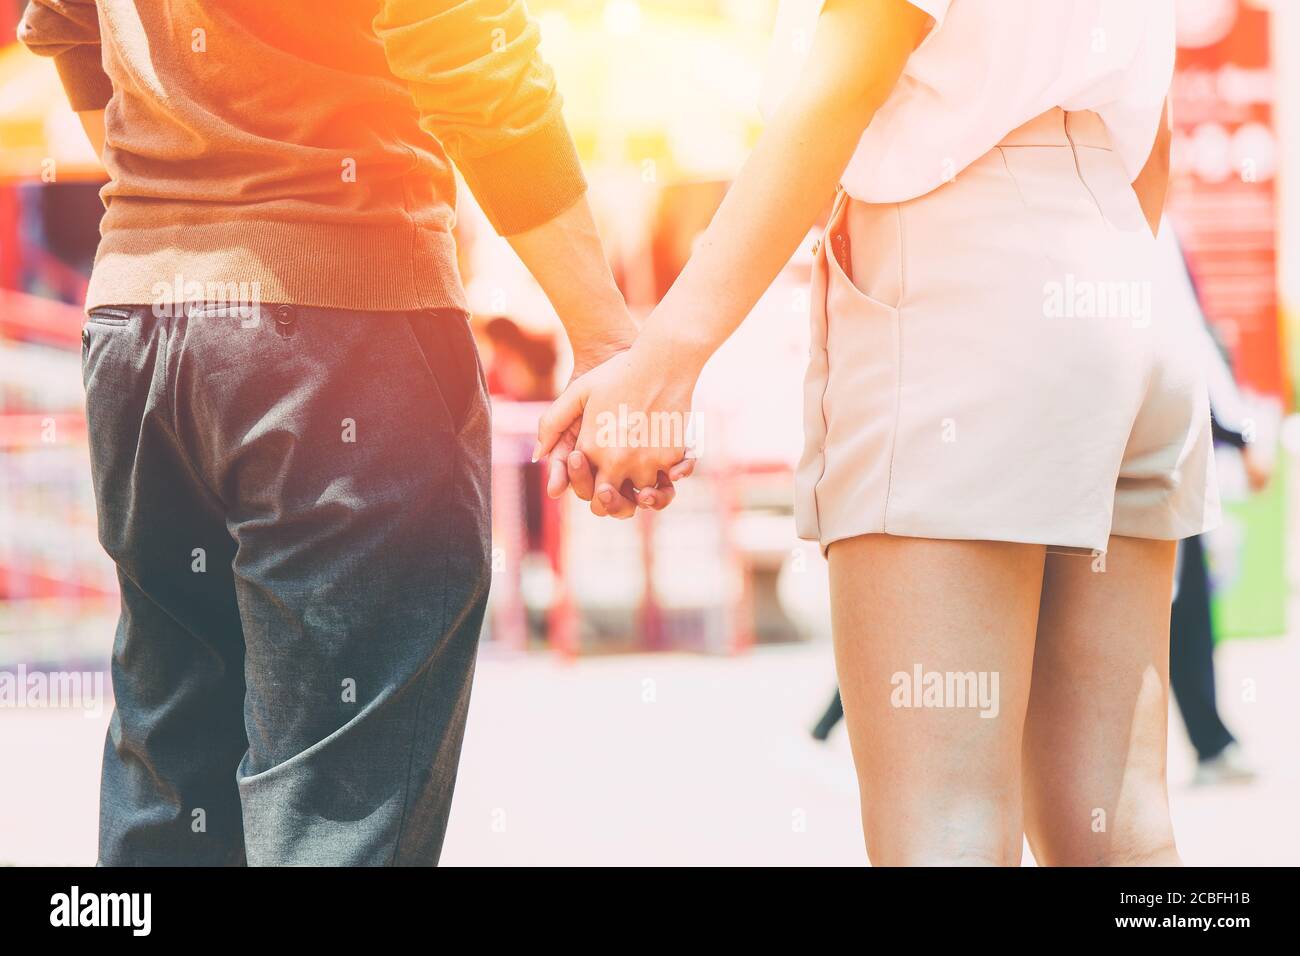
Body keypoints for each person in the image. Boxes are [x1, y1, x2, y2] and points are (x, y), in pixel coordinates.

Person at [539, 0, 1218, 865]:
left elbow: (844, 82)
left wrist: (666, 359)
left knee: (944, 828)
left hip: (965, 282)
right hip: (1125, 274)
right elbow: (1151, 131)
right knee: (1120, 828)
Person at [20, 0, 659, 865]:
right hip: (340, 316)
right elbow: (462, 40)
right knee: (335, 811)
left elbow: (62, 21)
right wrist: (606, 336)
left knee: (170, 779)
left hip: (144, 325)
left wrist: (187, 188)